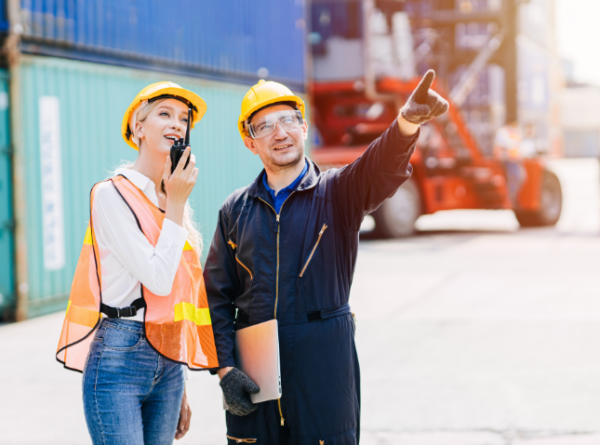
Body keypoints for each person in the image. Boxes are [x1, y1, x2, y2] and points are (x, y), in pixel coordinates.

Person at [204, 71, 449, 444]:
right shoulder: (234, 210)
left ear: (303, 126)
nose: (279, 133)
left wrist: (407, 121)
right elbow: (215, 296)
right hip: (255, 379)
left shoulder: (338, 193)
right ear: (250, 142)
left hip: (324, 369)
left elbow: (377, 167)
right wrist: (225, 370)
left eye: (287, 120)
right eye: (264, 126)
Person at [56, 82, 220, 444]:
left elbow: (175, 296)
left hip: (168, 362)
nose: (178, 123)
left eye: (184, 118)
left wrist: (180, 380)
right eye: (165, 113)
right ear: (138, 127)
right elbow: (158, 280)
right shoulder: (111, 194)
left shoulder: (170, 196)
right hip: (119, 356)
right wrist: (176, 203)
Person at [494, 120, 526, 204]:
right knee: (515, 177)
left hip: (514, 159)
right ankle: (511, 198)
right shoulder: (503, 132)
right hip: (508, 159)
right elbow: (507, 145)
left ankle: (512, 197)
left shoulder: (514, 132)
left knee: (520, 176)